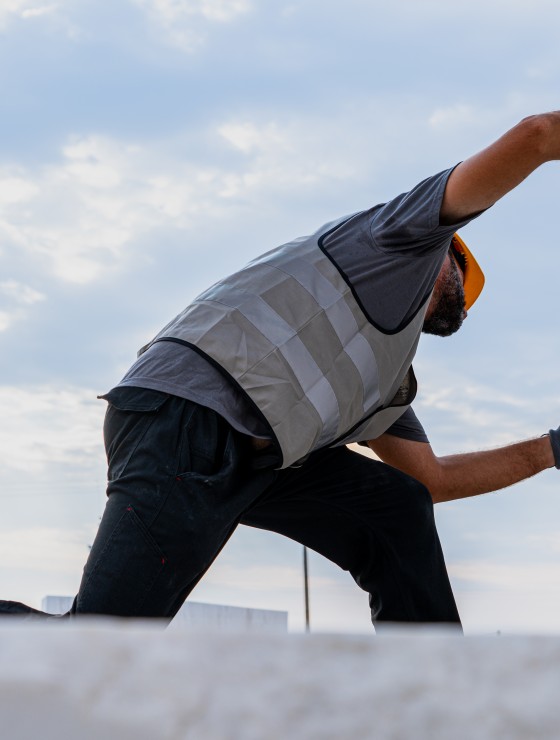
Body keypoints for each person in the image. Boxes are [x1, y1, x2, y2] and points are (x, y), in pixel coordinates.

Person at [3, 111, 560, 628]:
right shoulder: (397, 240)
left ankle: (434, 686)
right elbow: (537, 135)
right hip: (184, 418)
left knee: (397, 507)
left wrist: (550, 450)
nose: (460, 285)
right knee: (99, 638)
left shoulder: (382, 378)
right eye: (458, 268)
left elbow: (432, 480)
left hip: (254, 457)